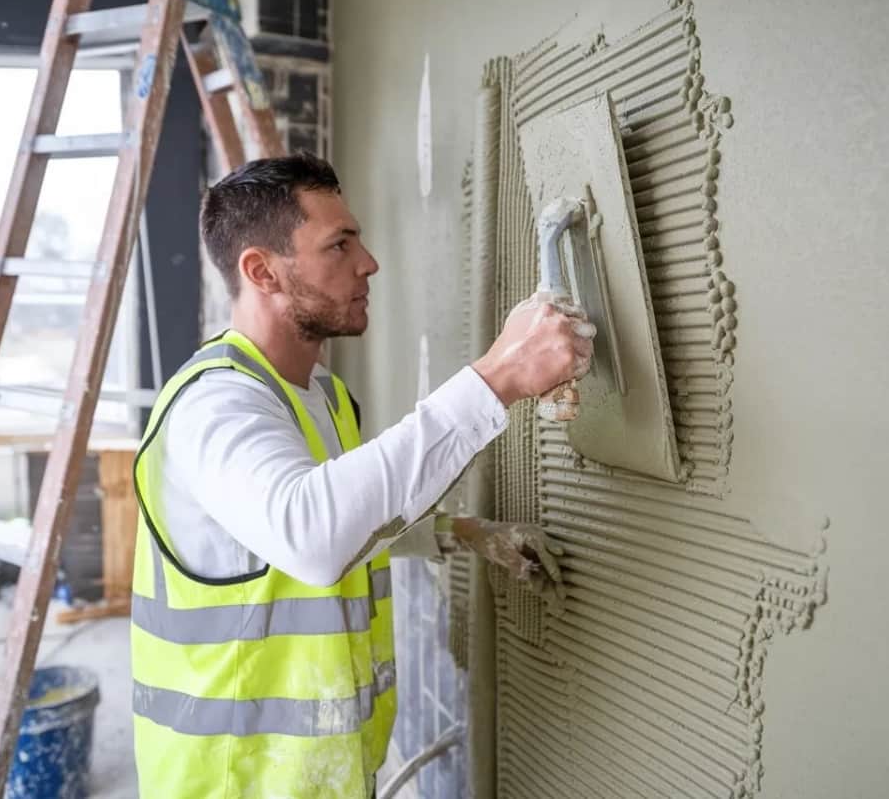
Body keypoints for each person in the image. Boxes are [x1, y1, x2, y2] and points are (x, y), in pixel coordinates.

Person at [130, 153, 595, 798]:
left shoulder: (321, 396)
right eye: (339, 245)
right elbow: (312, 538)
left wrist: (459, 532)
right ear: (262, 271)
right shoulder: (215, 407)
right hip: (237, 782)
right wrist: (500, 376)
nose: (368, 263)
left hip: (324, 779)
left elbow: (332, 527)